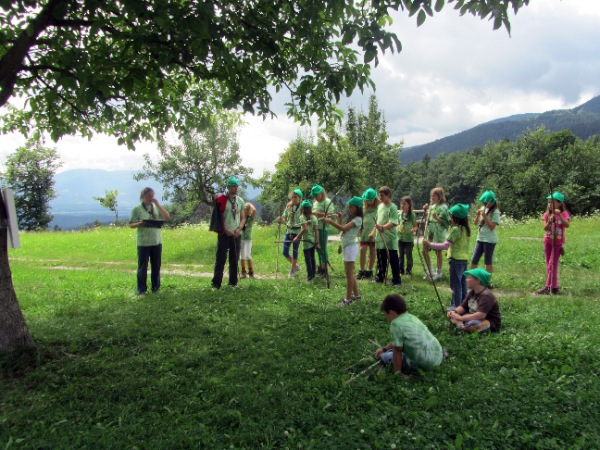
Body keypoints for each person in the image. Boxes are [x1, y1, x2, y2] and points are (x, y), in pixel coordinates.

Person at [375, 294, 444, 379]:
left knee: (385, 357)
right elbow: (398, 341)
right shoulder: (411, 317)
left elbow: (397, 351)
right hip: (438, 355)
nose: (386, 318)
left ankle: (401, 369)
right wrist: (384, 349)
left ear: (391, 313)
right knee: (394, 349)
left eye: (386, 315)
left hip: (427, 364)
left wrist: (397, 373)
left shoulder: (395, 324)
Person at [424, 204, 471, 309]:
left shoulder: (455, 230)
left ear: (456, 218)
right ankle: (464, 306)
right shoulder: (466, 229)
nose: (450, 218)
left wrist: (430, 244)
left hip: (456, 261)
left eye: (451, 216)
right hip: (464, 260)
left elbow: (445, 245)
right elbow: (458, 244)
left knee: (455, 285)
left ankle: (456, 307)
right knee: (463, 284)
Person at [129, 187, 171, 295]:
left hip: (156, 241)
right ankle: (141, 290)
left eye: (152, 196)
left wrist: (158, 205)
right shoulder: (137, 209)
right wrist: (140, 223)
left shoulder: (155, 208)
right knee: (143, 267)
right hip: (143, 242)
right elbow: (131, 224)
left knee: (156, 266)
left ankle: (156, 288)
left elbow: (167, 217)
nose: (151, 198)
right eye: (148, 196)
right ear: (143, 196)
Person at [321, 196, 363, 306]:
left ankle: (347, 299)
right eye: (349, 206)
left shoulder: (358, 219)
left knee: (349, 274)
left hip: (350, 248)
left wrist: (329, 221)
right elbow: (343, 229)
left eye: (352, 206)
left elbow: (344, 229)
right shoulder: (353, 219)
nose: (349, 208)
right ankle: (356, 294)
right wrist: (340, 219)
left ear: (357, 208)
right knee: (349, 272)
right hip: (347, 247)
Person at [211, 177, 246, 289]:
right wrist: (226, 230)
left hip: (236, 234)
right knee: (221, 259)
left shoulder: (240, 201)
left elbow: (243, 218)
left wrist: (239, 229)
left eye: (237, 186)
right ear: (228, 187)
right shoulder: (221, 200)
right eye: (234, 186)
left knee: (234, 259)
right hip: (224, 234)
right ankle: (216, 284)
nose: (236, 188)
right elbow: (219, 218)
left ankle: (233, 283)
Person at [447, 268, 501, 333]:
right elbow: (463, 307)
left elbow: (481, 315)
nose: (466, 280)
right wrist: (454, 312)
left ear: (477, 281)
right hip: (472, 314)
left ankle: (461, 325)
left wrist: (460, 318)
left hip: (487, 320)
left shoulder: (486, 295)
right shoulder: (472, 292)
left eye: (469, 278)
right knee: (451, 309)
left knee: (472, 323)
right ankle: (462, 325)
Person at [537, 191, 570, 295]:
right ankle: (554, 287)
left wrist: (559, 215)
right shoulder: (547, 214)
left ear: (559, 203)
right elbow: (545, 228)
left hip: (557, 243)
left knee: (552, 265)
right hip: (548, 241)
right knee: (549, 265)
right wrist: (550, 221)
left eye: (552, 202)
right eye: (549, 202)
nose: (550, 204)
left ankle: (548, 287)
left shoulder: (564, 214)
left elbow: (567, 224)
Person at [368, 186, 401, 287]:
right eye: (379, 195)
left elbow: (393, 222)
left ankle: (396, 280)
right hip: (380, 238)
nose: (380, 197)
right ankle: (380, 277)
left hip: (390, 238)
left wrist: (383, 227)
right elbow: (377, 222)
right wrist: (373, 232)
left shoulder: (392, 207)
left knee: (393, 260)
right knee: (381, 259)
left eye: (382, 195)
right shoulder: (380, 207)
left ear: (388, 195)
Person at [471, 190, 501, 285]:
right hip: (480, 238)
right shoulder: (483, 208)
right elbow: (475, 223)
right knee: (474, 259)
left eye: (486, 202)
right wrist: (478, 215)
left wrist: (485, 216)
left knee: (487, 261)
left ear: (491, 202)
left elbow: (492, 227)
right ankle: (472, 280)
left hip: (489, 240)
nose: (484, 204)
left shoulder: (495, 212)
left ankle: (487, 282)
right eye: (483, 202)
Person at [422, 187, 450, 281]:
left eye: (434, 195)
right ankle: (430, 271)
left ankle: (439, 272)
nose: (432, 197)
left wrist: (437, 218)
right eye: (431, 195)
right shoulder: (432, 207)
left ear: (439, 196)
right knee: (424, 250)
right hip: (431, 232)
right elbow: (428, 219)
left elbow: (445, 222)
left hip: (438, 232)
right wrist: (426, 211)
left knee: (438, 251)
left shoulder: (443, 207)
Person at [278, 188, 304, 277]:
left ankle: (292, 270)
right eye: (292, 197)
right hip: (288, 231)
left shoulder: (302, 207)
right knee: (284, 251)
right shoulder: (288, 206)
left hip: (297, 232)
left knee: (295, 251)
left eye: (295, 197)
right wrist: (281, 219)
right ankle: (295, 265)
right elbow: (285, 218)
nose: (293, 199)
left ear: (300, 198)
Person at [311, 184, 334, 276]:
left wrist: (316, 213)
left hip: (323, 228)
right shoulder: (315, 203)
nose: (316, 197)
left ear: (322, 193)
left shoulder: (327, 201)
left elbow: (330, 214)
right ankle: (321, 266)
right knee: (317, 247)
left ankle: (324, 269)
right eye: (314, 196)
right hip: (315, 228)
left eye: (317, 195)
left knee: (322, 248)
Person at [294, 200, 320, 281]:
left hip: (306, 241)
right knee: (312, 257)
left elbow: (305, 228)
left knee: (308, 259)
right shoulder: (314, 217)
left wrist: (297, 237)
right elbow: (316, 231)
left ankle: (310, 276)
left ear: (302, 208)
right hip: (312, 240)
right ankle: (313, 274)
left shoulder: (302, 217)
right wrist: (317, 241)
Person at [357, 188, 378, 280]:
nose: (369, 202)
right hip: (364, 233)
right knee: (363, 249)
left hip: (374, 232)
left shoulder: (378, 208)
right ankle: (361, 270)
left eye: (370, 200)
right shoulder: (363, 208)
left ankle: (369, 270)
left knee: (372, 250)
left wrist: (374, 231)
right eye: (367, 200)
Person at [398, 196, 418, 277]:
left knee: (409, 255)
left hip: (409, 239)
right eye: (401, 204)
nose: (402, 206)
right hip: (400, 238)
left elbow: (416, 226)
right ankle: (401, 271)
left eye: (404, 204)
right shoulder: (399, 214)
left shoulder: (412, 215)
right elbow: (397, 224)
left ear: (409, 205)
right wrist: (397, 228)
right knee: (401, 255)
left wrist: (413, 230)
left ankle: (408, 271)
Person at [240, 202, 256, 279]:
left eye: (247, 209)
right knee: (242, 256)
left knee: (247, 255)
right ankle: (243, 272)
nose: (246, 210)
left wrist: (249, 204)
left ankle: (251, 272)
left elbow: (254, 210)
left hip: (248, 239)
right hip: (240, 239)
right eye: (245, 209)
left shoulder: (250, 218)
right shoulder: (240, 218)